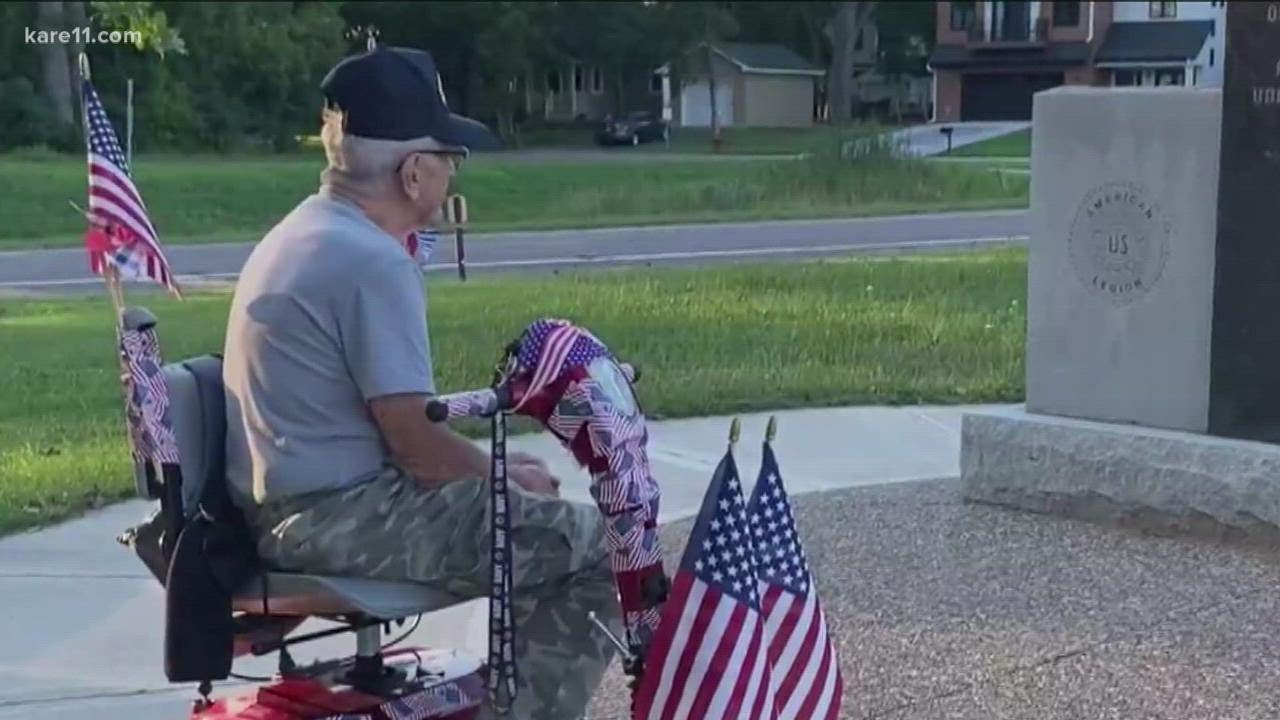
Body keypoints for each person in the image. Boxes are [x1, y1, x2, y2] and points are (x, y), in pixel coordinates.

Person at [221, 45, 620, 720]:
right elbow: (417, 447)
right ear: (412, 172)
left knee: (527, 523)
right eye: (448, 159)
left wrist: (494, 474)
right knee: (593, 553)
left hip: (295, 505)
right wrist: (497, 475)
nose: (451, 175)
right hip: (334, 516)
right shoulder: (371, 261)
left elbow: (405, 433)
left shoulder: (305, 232)